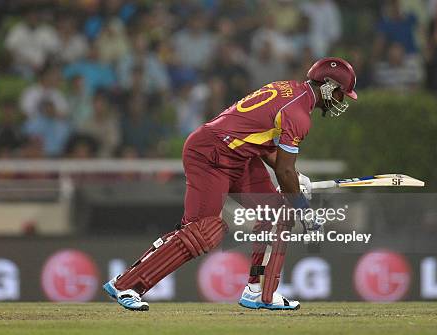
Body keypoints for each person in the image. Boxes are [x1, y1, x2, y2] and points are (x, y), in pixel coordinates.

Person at [103, 57, 357, 311]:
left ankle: (259, 293)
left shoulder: (288, 89)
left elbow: (264, 145)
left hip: (238, 155)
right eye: (340, 92)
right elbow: (283, 169)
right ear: (327, 85)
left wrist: (294, 178)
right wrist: (304, 208)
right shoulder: (299, 114)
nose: (341, 100)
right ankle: (126, 284)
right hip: (211, 153)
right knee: (203, 231)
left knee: (277, 213)